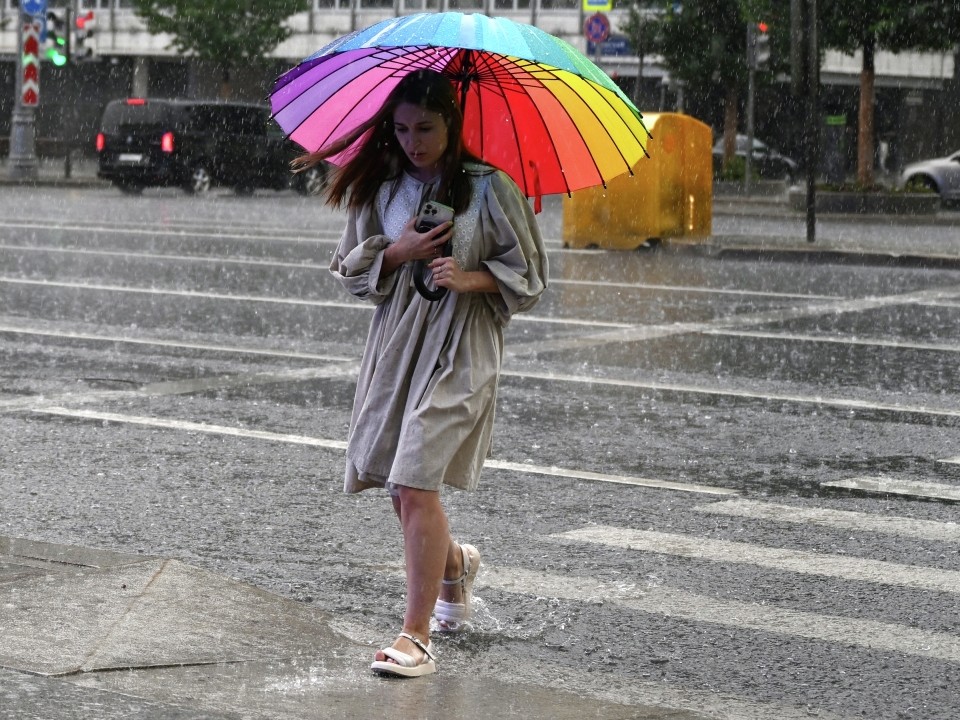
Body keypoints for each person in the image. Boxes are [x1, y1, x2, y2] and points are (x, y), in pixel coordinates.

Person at [293, 69, 548, 678]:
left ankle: (416, 636)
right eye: (402, 128)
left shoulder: (489, 189)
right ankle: (453, 565)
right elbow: (351, 272)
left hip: (463, 345)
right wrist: (399, 252)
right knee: (401, 483)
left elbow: (531, 278)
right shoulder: (379, 190)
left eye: (426, 128)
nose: (414, 141)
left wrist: (472, 277)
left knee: (412, 481)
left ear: (452, 123)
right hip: (398, 341)